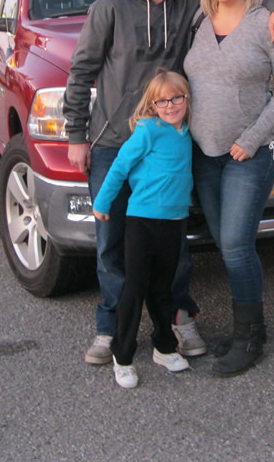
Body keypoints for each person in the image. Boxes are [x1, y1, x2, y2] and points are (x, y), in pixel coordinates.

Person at [64, 0, 274, 365]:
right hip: (116, 143)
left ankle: (179, 318)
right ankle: (110, 327)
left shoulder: (190, 4)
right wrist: (76, 135)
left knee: (174, 239)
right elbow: (80, 74)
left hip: (173, 146)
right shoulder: (108, 9)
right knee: (112, 240)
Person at [184, 0, 274, 377]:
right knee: (226, 242)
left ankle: (249, 337)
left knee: (234, 246)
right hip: (205, 154)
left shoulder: (266, 23)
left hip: (249, 153)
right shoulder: (199, 21)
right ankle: (252, 328)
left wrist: (251, 139)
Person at [92, 69, 194, 389]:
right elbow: (121, 165)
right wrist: (103, 203)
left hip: (173, 223)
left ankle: (164, 347)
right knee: (134, 289)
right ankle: (122, 356)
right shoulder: (149, 130)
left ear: (187, 99)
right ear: (152, 104)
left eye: (177, 98)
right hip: (142, 222)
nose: (170, 105)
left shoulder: (188, 132)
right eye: (162, 100)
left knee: (163, 289)